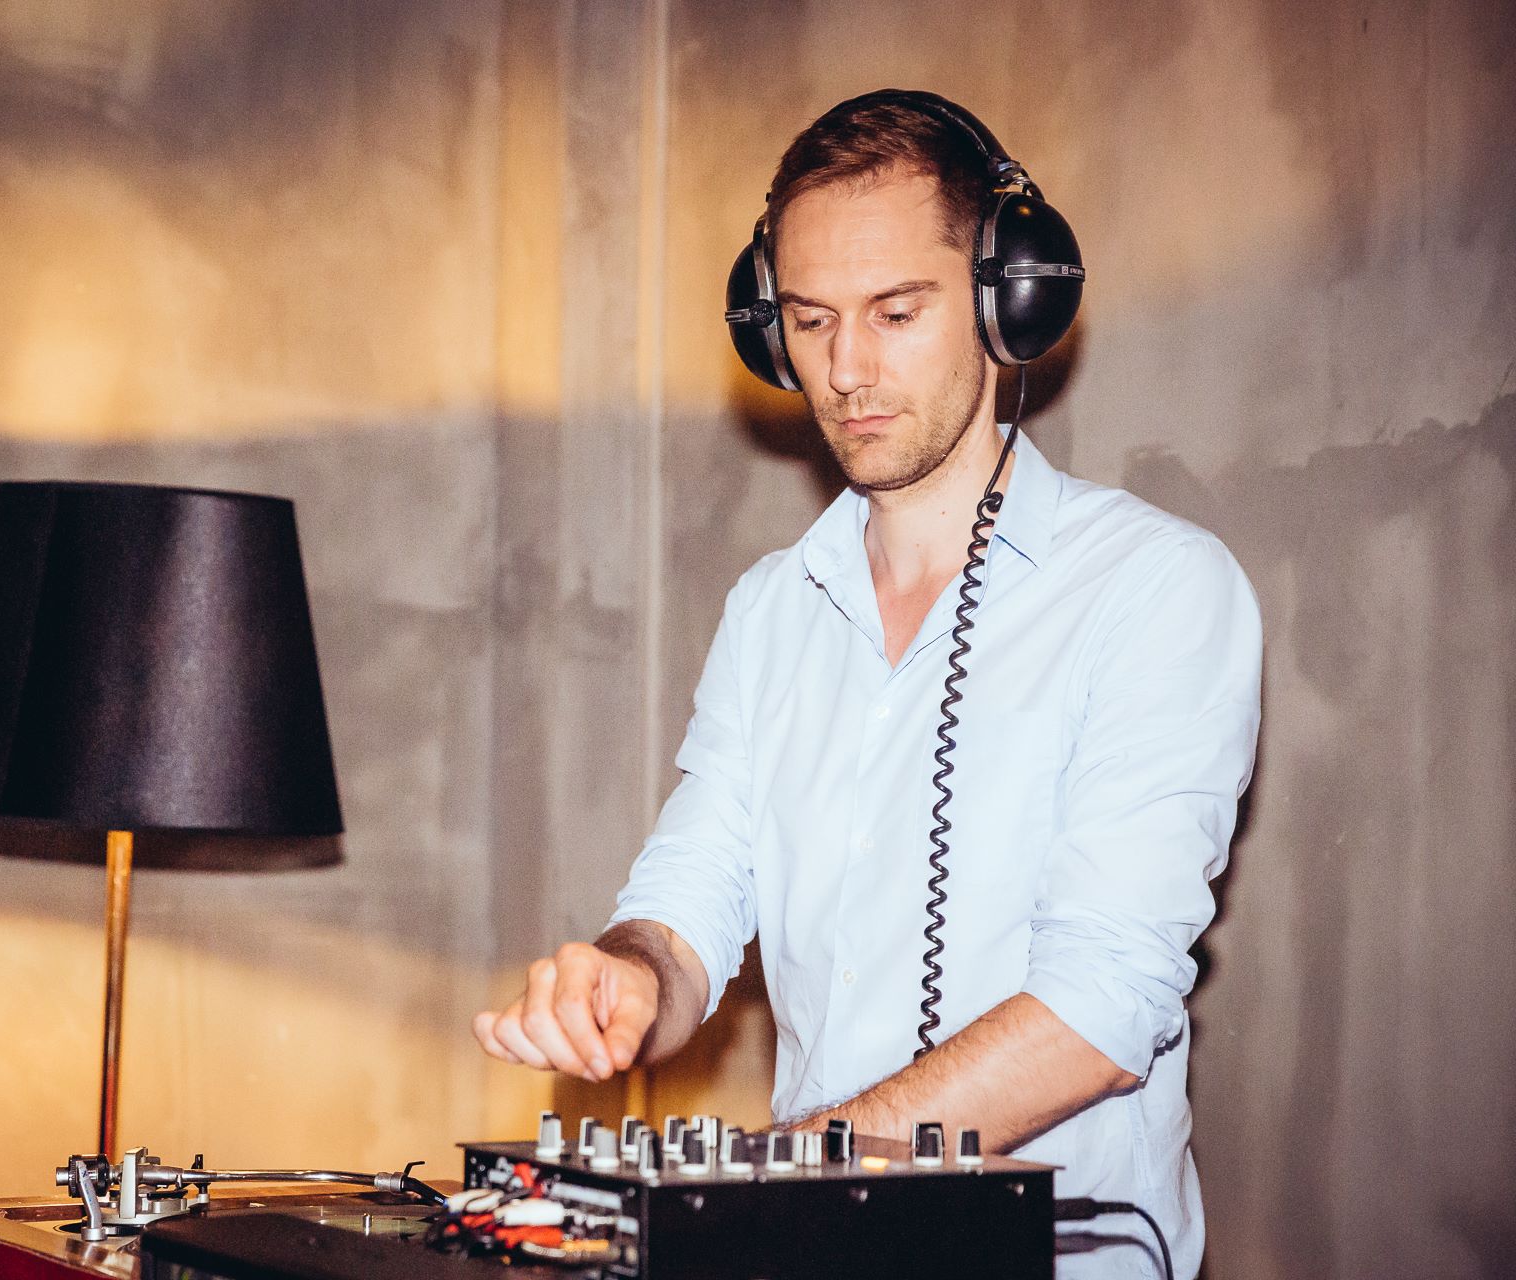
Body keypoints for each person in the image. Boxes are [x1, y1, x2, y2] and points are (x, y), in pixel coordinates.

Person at [471, 91, 1261, 1280]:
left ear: (1007, 299)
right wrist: (625, 975)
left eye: (896, 312)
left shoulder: (1156, 589)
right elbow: (690, 901)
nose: (845, 369)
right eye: (809, 320)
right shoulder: (770, 609)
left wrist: (782, 1171)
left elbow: (1101, 1007)